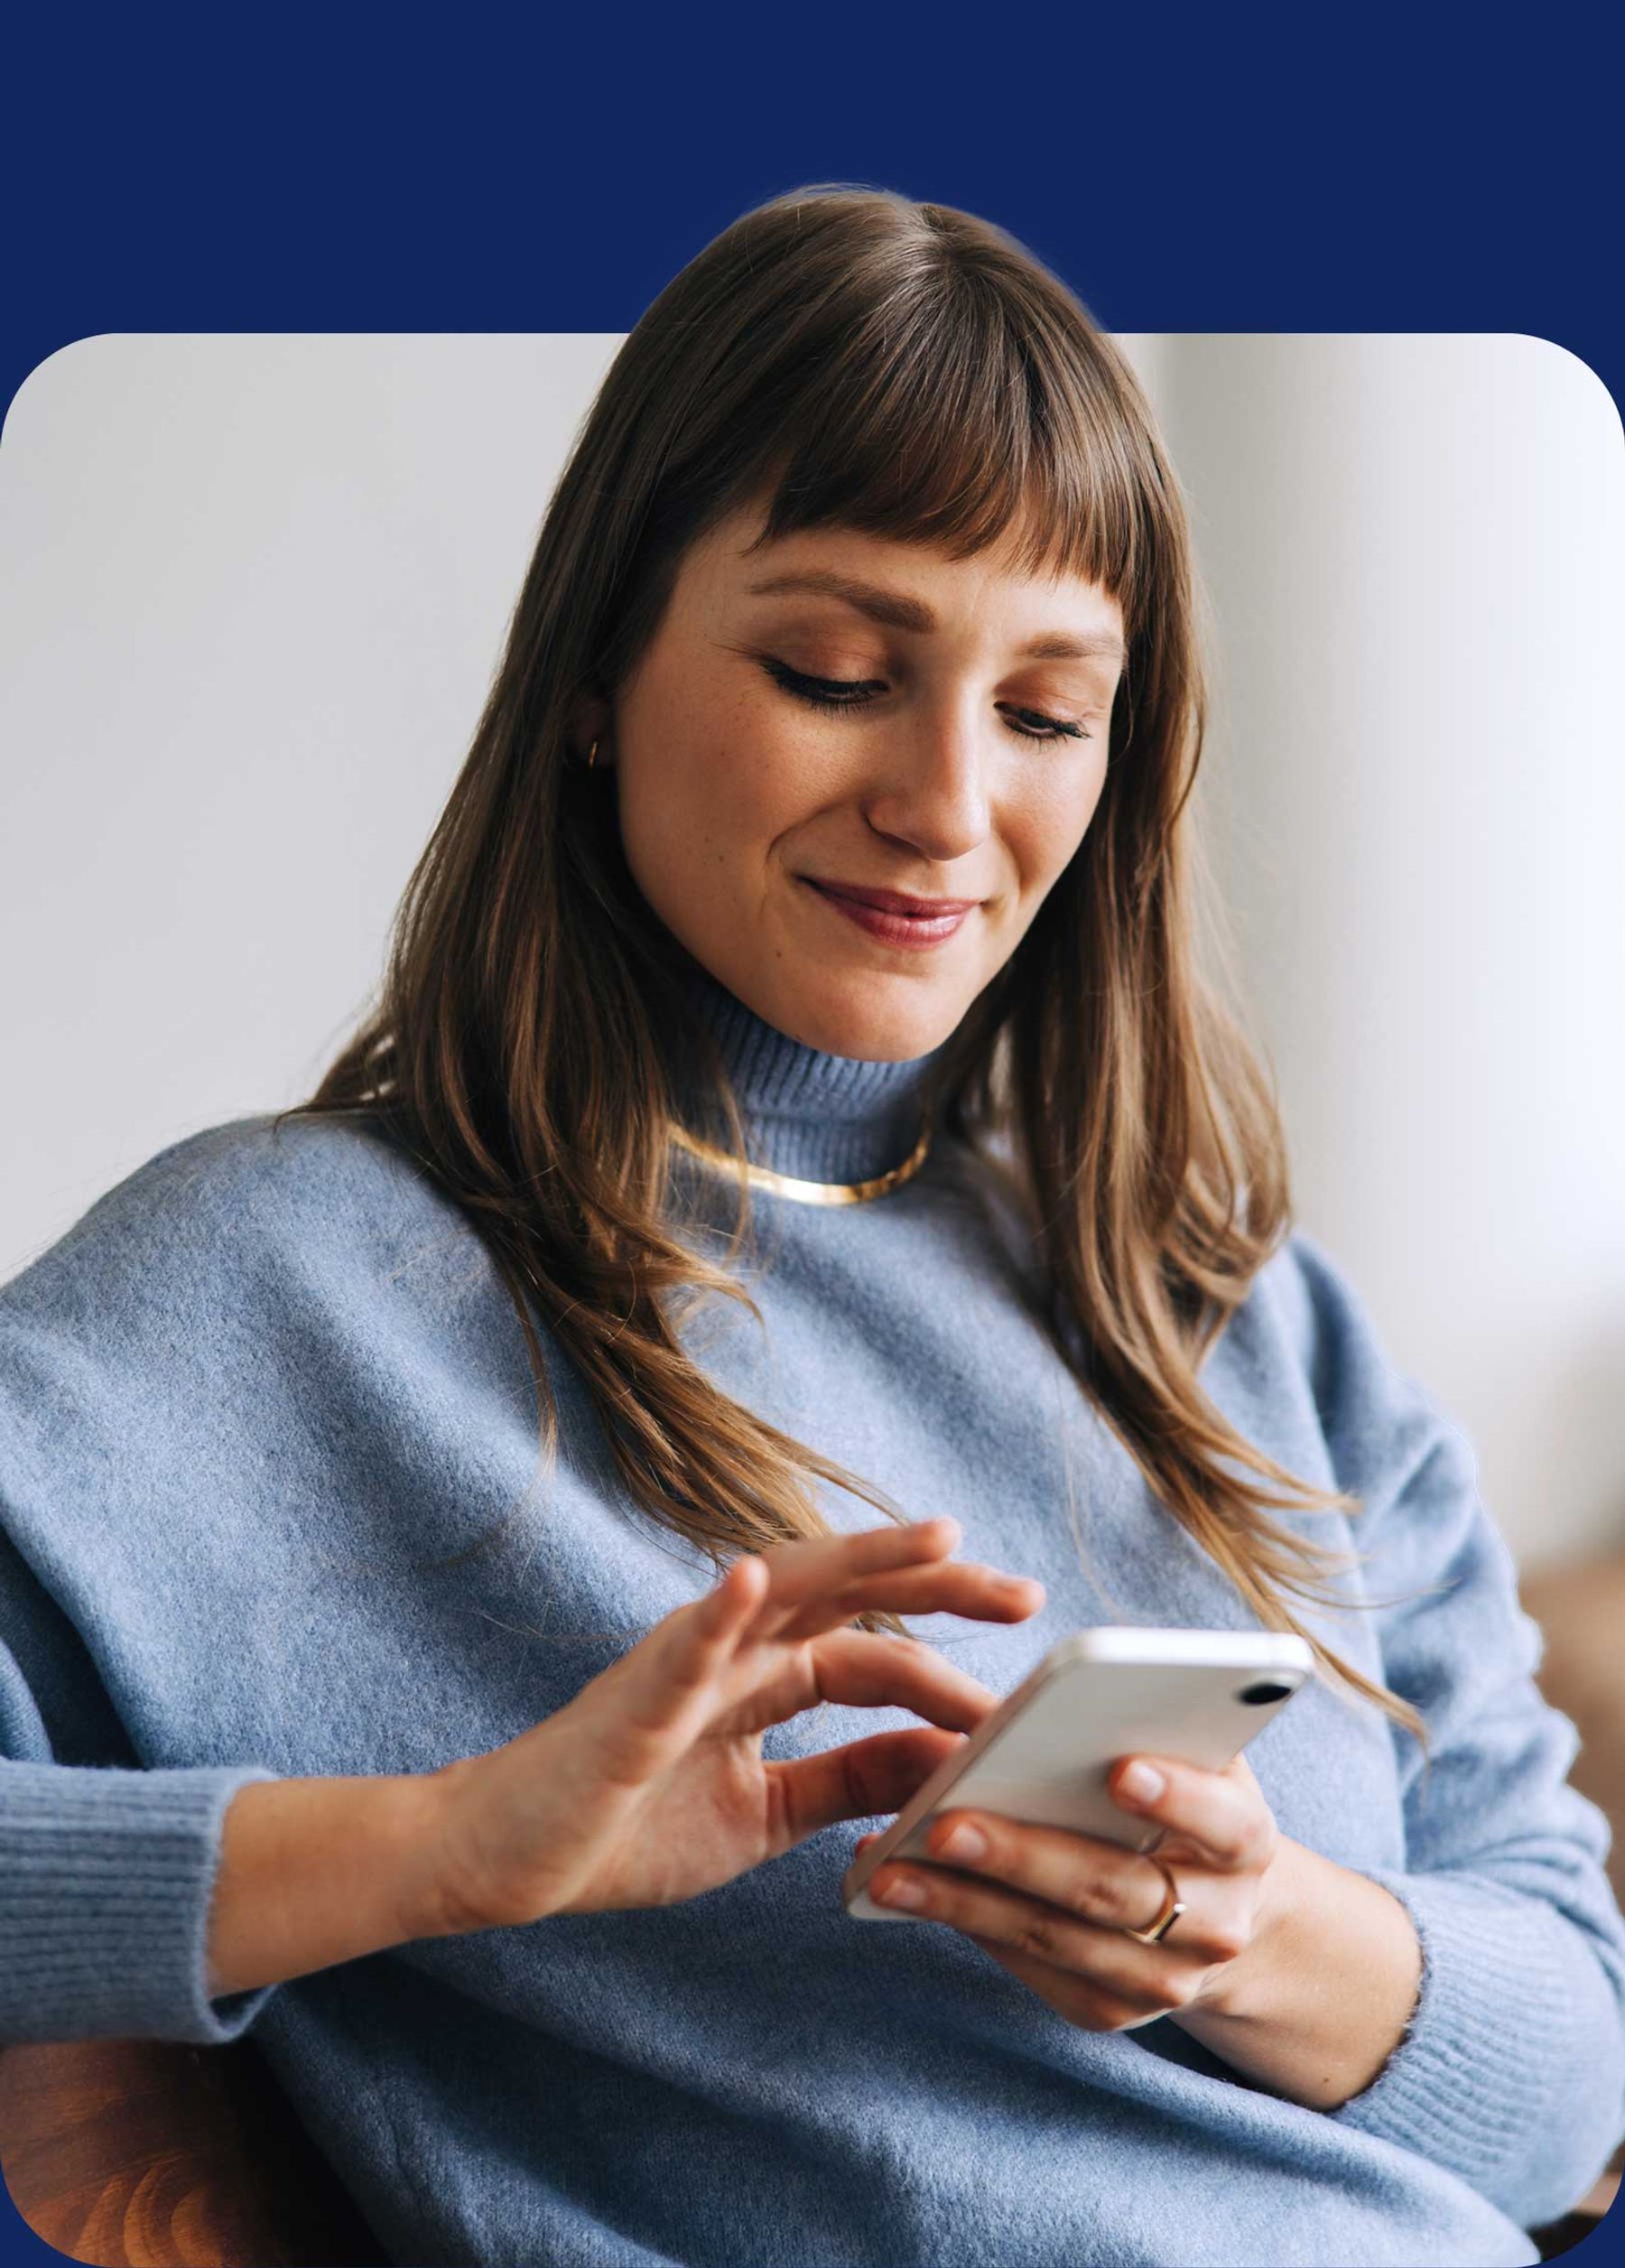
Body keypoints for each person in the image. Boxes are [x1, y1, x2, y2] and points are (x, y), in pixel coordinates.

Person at [1, 184, 1621, 2268]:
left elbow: (1575, 2081)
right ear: (597, 673)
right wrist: (440, 1845)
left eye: (1046, 710)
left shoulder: (1224, 1309)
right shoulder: (269, 1288)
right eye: (840, 668)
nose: (950, 802)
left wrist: (1258, 1932)